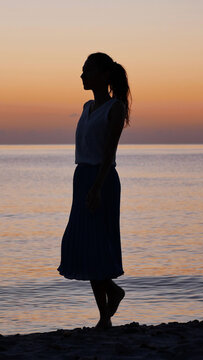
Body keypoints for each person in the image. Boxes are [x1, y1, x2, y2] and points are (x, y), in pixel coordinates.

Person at [57, 52, 131, 329]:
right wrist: (86, 185)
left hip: (102, 179)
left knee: (98, 244)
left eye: (87, 70)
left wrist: (97, 187)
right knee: (84, 243)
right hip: (82, 177)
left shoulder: (116, 109)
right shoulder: (87, 106)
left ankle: (105, 315)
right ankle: (109, 303)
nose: (82, 75)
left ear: (103, 75)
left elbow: (109, 152)